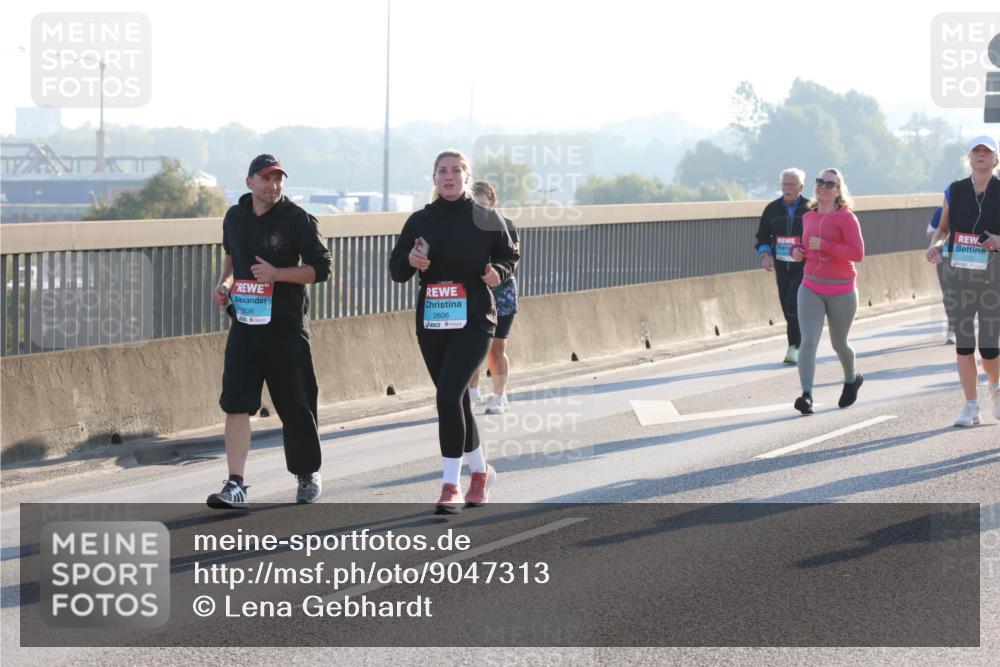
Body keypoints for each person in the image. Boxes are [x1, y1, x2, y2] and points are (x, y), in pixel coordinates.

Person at [389, 150, 519, 514]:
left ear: (466, 177)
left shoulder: (486, 217)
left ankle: (450, 484)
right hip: (433, 321)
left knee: (448, 395)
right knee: (456, 398)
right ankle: (480, 472)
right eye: (441, 172)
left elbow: (510, 256)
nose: (448, 177)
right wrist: (410, 261)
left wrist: (499, 272)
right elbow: (396, 269)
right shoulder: (419, 220)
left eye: (455, 171)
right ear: (434, 179)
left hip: (476, 318)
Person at [207, 154, 332, 508]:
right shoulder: (235, 217)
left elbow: (321, 269)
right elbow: (231, 257)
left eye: (278, 179)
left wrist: (278, 274)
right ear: (250, 183)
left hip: (286, 329)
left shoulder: (297, 220)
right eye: (266, 179)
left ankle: (307, 473)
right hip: (245, 325)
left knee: (296, 406)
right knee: (236, 405)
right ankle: (235, 484)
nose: (273, 185)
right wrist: (224, 285)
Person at [927, 134, 1000, 427]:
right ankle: (971, 407)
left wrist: (997, 239)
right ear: (969, 158)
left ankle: (995, 387)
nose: (980, 155)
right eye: (976, 151)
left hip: (994, 275)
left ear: (995, 159)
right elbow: (943, 228)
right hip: (959, 275)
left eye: (987, 151)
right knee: (965, 344)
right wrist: (936, 245)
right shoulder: (954, 191)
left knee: (990, 346)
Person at [790, 168, 865, 414]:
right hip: (810, 285)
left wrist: (826, 245)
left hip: (841, 289)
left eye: (829, 183)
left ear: (838, 190)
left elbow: (857, 254)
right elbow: (802, 244)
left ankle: (851, 378)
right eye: (819, 181)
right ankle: (807, 394)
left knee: (839, 343)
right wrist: (797, 252)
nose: (822, 186)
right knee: (808, 340)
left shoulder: (846, 218)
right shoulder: (808, 217)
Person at [468, 180, 520, 414]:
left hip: (502, 293)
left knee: (496, 348)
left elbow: (512, 258)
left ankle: (499, 396)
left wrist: (496, 269)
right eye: (474, 205)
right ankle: (471, 393)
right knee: (470, 346)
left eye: (483, 204)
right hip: (473, 292)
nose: (479, 210)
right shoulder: (464, 226)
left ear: (492, 202)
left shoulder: (505, 225)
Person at [755, 168, 810, 364]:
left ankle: (794, 346)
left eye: (791, 185)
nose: (787, 188)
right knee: (787, 306)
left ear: (801, 187)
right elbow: (762, 235)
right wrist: (765, 253)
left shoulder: (810, 208)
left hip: (803, 267)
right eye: (784, 185)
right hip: (781, 267)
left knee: (793, 302)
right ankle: (801, 341)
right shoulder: (772, 210)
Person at [926, 186, 957, 344]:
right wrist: (938, 244)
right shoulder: (941, 212)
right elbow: (932, 231)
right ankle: (952, 326)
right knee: (948, 294)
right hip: (945, 256)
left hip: (969, 258)